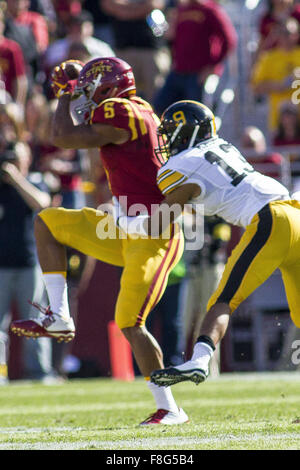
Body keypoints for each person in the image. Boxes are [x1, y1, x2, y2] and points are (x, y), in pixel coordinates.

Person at [10, 57, 188, 426]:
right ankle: (59, 316)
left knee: (129, 320)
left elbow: (61, 137)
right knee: (47, 222)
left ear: (108, 88)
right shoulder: (136, 110)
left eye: (91, 87)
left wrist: (64, 93)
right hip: (126, 226)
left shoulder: (121, 111)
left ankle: (170, 407)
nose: (86, 95)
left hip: (156, 233)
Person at [104, 100, 299, 389]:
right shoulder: (222, 147)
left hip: (271, 219)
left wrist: (121, 221)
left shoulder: (183, 166)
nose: (166, 141)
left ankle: (199, 359)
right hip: (294, 213)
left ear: (186, 134)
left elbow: (159, 224)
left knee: (223, 299)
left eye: (171, 133)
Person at [0, 140, 53, 384]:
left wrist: (17, 179)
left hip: (29, 263)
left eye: (16, 158)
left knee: (34, 321)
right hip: (2, 265)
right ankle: (1, 374)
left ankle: (40, 372)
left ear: (26, 159)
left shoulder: (34, 181)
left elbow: (42, 202)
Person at [153, 0, 237, 115]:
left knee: (197, 114)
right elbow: (172, 38)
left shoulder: (210, 9)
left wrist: (213, 66)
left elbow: (229, 40)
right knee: (160, 108)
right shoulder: (181, 10)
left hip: (198, 75)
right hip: (178, 71)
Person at [101, 0, 170, 104]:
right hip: (123, 50)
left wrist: (126, 8)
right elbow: (109, 5)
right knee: (123, 95)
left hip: (150, 50)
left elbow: (155, 4)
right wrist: (138, 7)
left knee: (156, 96)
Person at [251, 17, 300, 132]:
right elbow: (256, 87)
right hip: (279, 122)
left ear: (296, 34)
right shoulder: (268, 58)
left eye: (288, 33)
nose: (285, 37)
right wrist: (281, 85)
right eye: (281, 33)